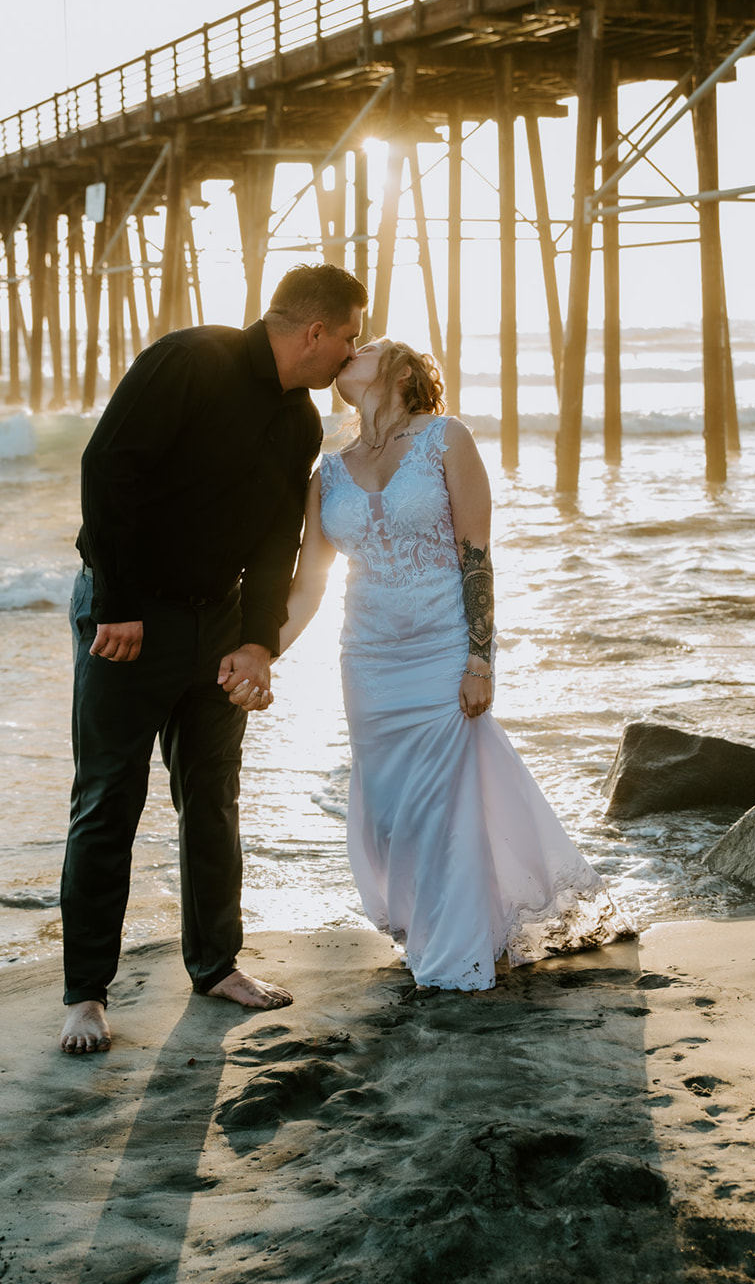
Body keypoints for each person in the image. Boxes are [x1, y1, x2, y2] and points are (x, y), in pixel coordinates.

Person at [60, 263, 367, 1053]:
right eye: (349, 338)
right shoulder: (190, 358)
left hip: (218, 625)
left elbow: (276, 541)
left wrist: (258, 640)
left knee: (213, 797)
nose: (349, 355)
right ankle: (85, 995)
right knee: (107, 801)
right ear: (315, 332)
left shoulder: (299, 423)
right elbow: (109, 469)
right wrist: (121, 602)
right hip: (127, 618)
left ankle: (216, 965)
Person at [256, 339, 627, 992]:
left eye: (363, 347)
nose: (348, 351)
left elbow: (475, 556)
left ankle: (453, 957)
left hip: (440, 652)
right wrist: (259, 654)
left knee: (440, 805)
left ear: (400, 371)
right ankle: (450, 927)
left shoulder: (446, 440)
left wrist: (479, 661)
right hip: (366, 661)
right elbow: (308, 587)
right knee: (393, 812)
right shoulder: (330, 472)